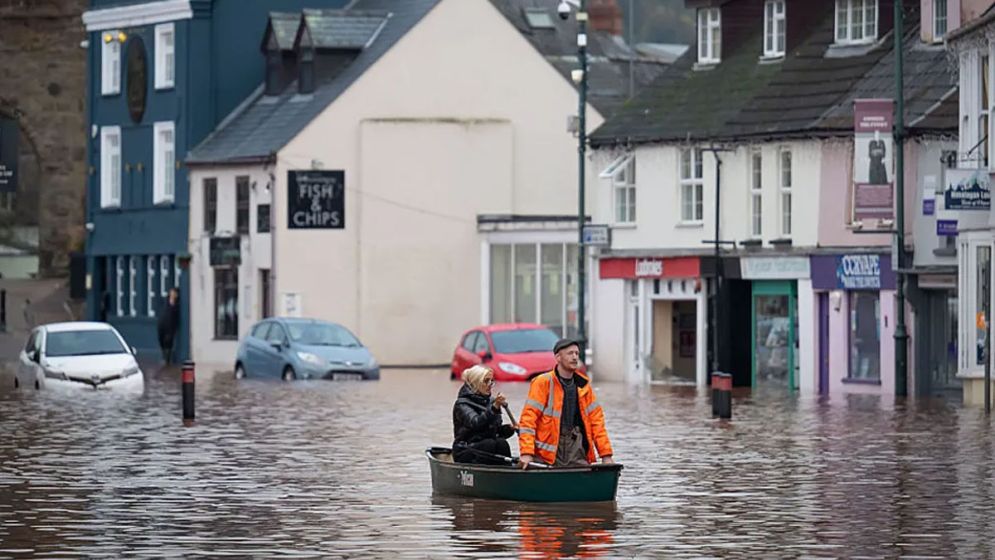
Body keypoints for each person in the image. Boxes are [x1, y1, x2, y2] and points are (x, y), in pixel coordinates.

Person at [519, 338, 613, 468]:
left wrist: (606, 455)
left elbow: (597, 423)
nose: (575, 357)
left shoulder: (584, 386)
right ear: (558, 357)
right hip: (545, 454)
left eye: (576, 353)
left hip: (576, 448)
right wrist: (526, 453)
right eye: (570, 353)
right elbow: (528, 420)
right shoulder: (543, 383)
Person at [452, 365, 518, 465]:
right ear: (476, 383)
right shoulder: (462, 404)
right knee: (489, 444)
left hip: (484, 448)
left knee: (501, 443)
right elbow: (476, 423)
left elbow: (496, 432)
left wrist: (509, 429)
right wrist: (494, 408)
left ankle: (507, 473)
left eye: (491, 381)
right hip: (465, 450)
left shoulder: (491, 402)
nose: (490, 385)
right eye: (486, 381)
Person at [157, 288, 180, 364]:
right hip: (162, 323)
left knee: (168, 341)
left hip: (171, 325)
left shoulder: (177, 304)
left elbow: (176, 314)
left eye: (174, 293)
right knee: (161, 340)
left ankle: (167, 359)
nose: (172, 294)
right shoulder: (166, 301)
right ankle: (164, 356)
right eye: (171, 293)